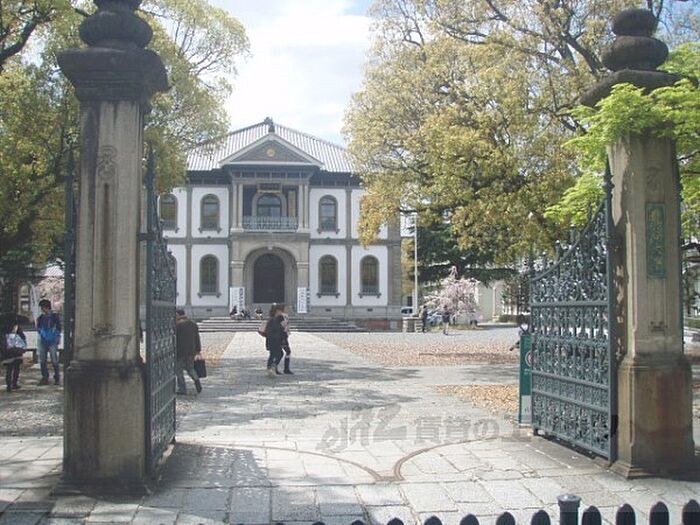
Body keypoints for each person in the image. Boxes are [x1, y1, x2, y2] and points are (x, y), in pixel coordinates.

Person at [175, 309, 202, 395]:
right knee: (190, 368)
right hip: (191, 351)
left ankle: (182, 388)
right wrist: (198, 350)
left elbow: (174, 338)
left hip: (180, 351)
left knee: (179, 370)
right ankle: (197, 382)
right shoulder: (193, 324)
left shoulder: (177, 325)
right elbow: (197, 338)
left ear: (178, 315)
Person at [36, 299, 61, 386]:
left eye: (42, 307)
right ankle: (45, 377)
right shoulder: (41, 317)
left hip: (52, 340)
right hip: (43, 340)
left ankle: (57, 377)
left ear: (46, 307)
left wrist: (57, 337)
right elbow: (38, 327)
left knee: (54, 360)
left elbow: (58, 327)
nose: (42, 309)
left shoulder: (54, 316)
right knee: (43, 361)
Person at [2, 320, 26, 392]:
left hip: (8, 350)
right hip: (17, 349)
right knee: (16, 367)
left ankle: (9, 386)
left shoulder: (4, 326)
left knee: (9, 369)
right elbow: (23, 337)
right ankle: (14, 383)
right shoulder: (17, 326)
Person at [264, 304, 285, 378]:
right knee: (276, 354)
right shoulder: (272, 320)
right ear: (277, 311)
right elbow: (269, 331)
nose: (281, 312)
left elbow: (280, 329)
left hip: (277, 340)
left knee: (275, 354)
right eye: (280, 311)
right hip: (273, 340)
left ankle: (271, 368)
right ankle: (271, 368)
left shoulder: (278, 319)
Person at [274, 306, 294, 375]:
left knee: (283, 353)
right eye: (286, 308)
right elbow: (283, 326)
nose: (288, 309)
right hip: (282, 337)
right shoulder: (281, 317)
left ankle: (282, 368)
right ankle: (279, 368)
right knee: (283, 353)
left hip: (283, 337)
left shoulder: (284, 316)